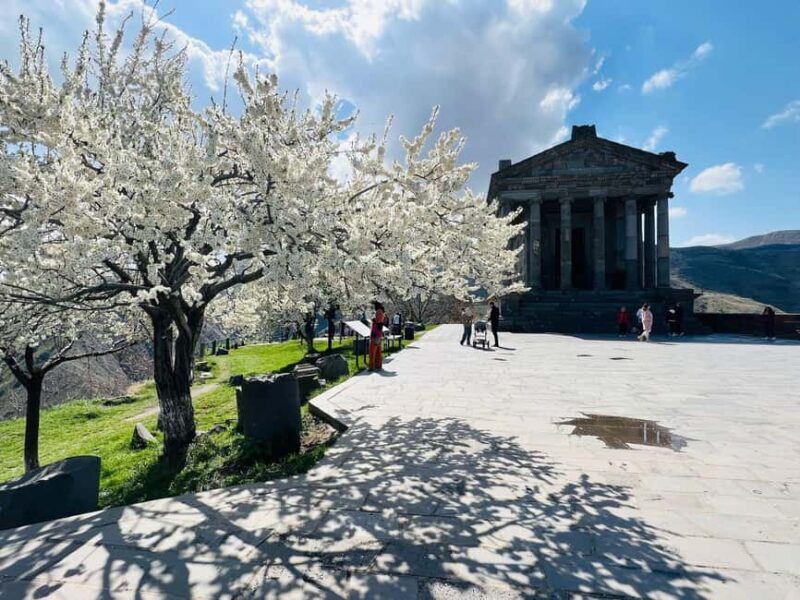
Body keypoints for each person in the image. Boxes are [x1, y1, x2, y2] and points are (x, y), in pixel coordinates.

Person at [369, 302, 385, 371]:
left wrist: (373, 320)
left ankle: (372, 366)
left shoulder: (379, 311)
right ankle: (378, 365)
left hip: (375, 334)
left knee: (372, 351)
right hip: (378, 334)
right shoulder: (382, 311)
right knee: (378, 351)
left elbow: (378, 321)